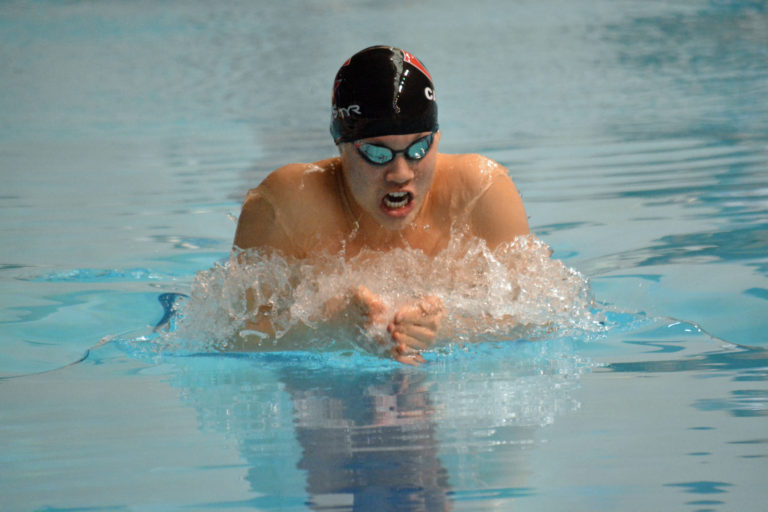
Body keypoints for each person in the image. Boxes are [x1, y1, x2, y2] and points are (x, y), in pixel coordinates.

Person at [233, 46, 530, 364]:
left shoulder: (479, 194)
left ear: (438, 139)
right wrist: (330, 327)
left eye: (418, 148)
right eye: (377, 153)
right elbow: (232, 335)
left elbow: (539, 316)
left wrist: (449, 328)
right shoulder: (287, 205)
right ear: (342, 147)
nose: (401, 174)